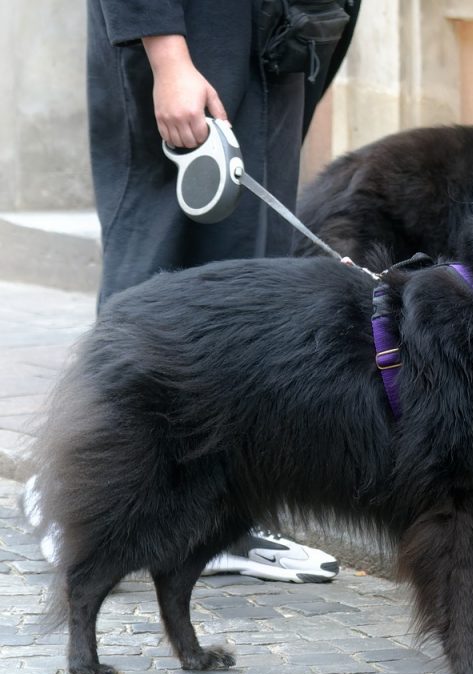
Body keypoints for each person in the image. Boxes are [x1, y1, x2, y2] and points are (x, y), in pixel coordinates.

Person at [22, 0, 360, 583]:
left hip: (279, 39)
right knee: (157, 270)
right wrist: (168, 58)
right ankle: (75, 503)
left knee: (249, 278)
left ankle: (217, 525)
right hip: (192, 35)